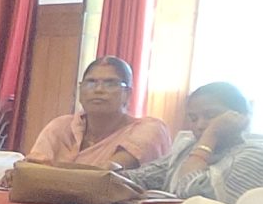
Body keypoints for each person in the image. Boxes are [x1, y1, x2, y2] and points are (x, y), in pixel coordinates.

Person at [125, 81, 263, 203]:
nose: (200, 125)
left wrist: (210, 135)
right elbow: (142, 177)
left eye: (211, 116)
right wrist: (115, 177)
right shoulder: (187, 148)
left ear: (240, 116)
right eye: (193, 118)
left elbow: (192, 195)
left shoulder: (258, 155)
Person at [26, 55, 173, 170]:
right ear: (80, 91)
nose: (98, 90)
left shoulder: (151, 129)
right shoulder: (61, 127)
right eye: (91, 82)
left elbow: (106, 173)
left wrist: (50, 172)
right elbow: (32, 169)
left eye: (110, 83)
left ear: (127, 94)